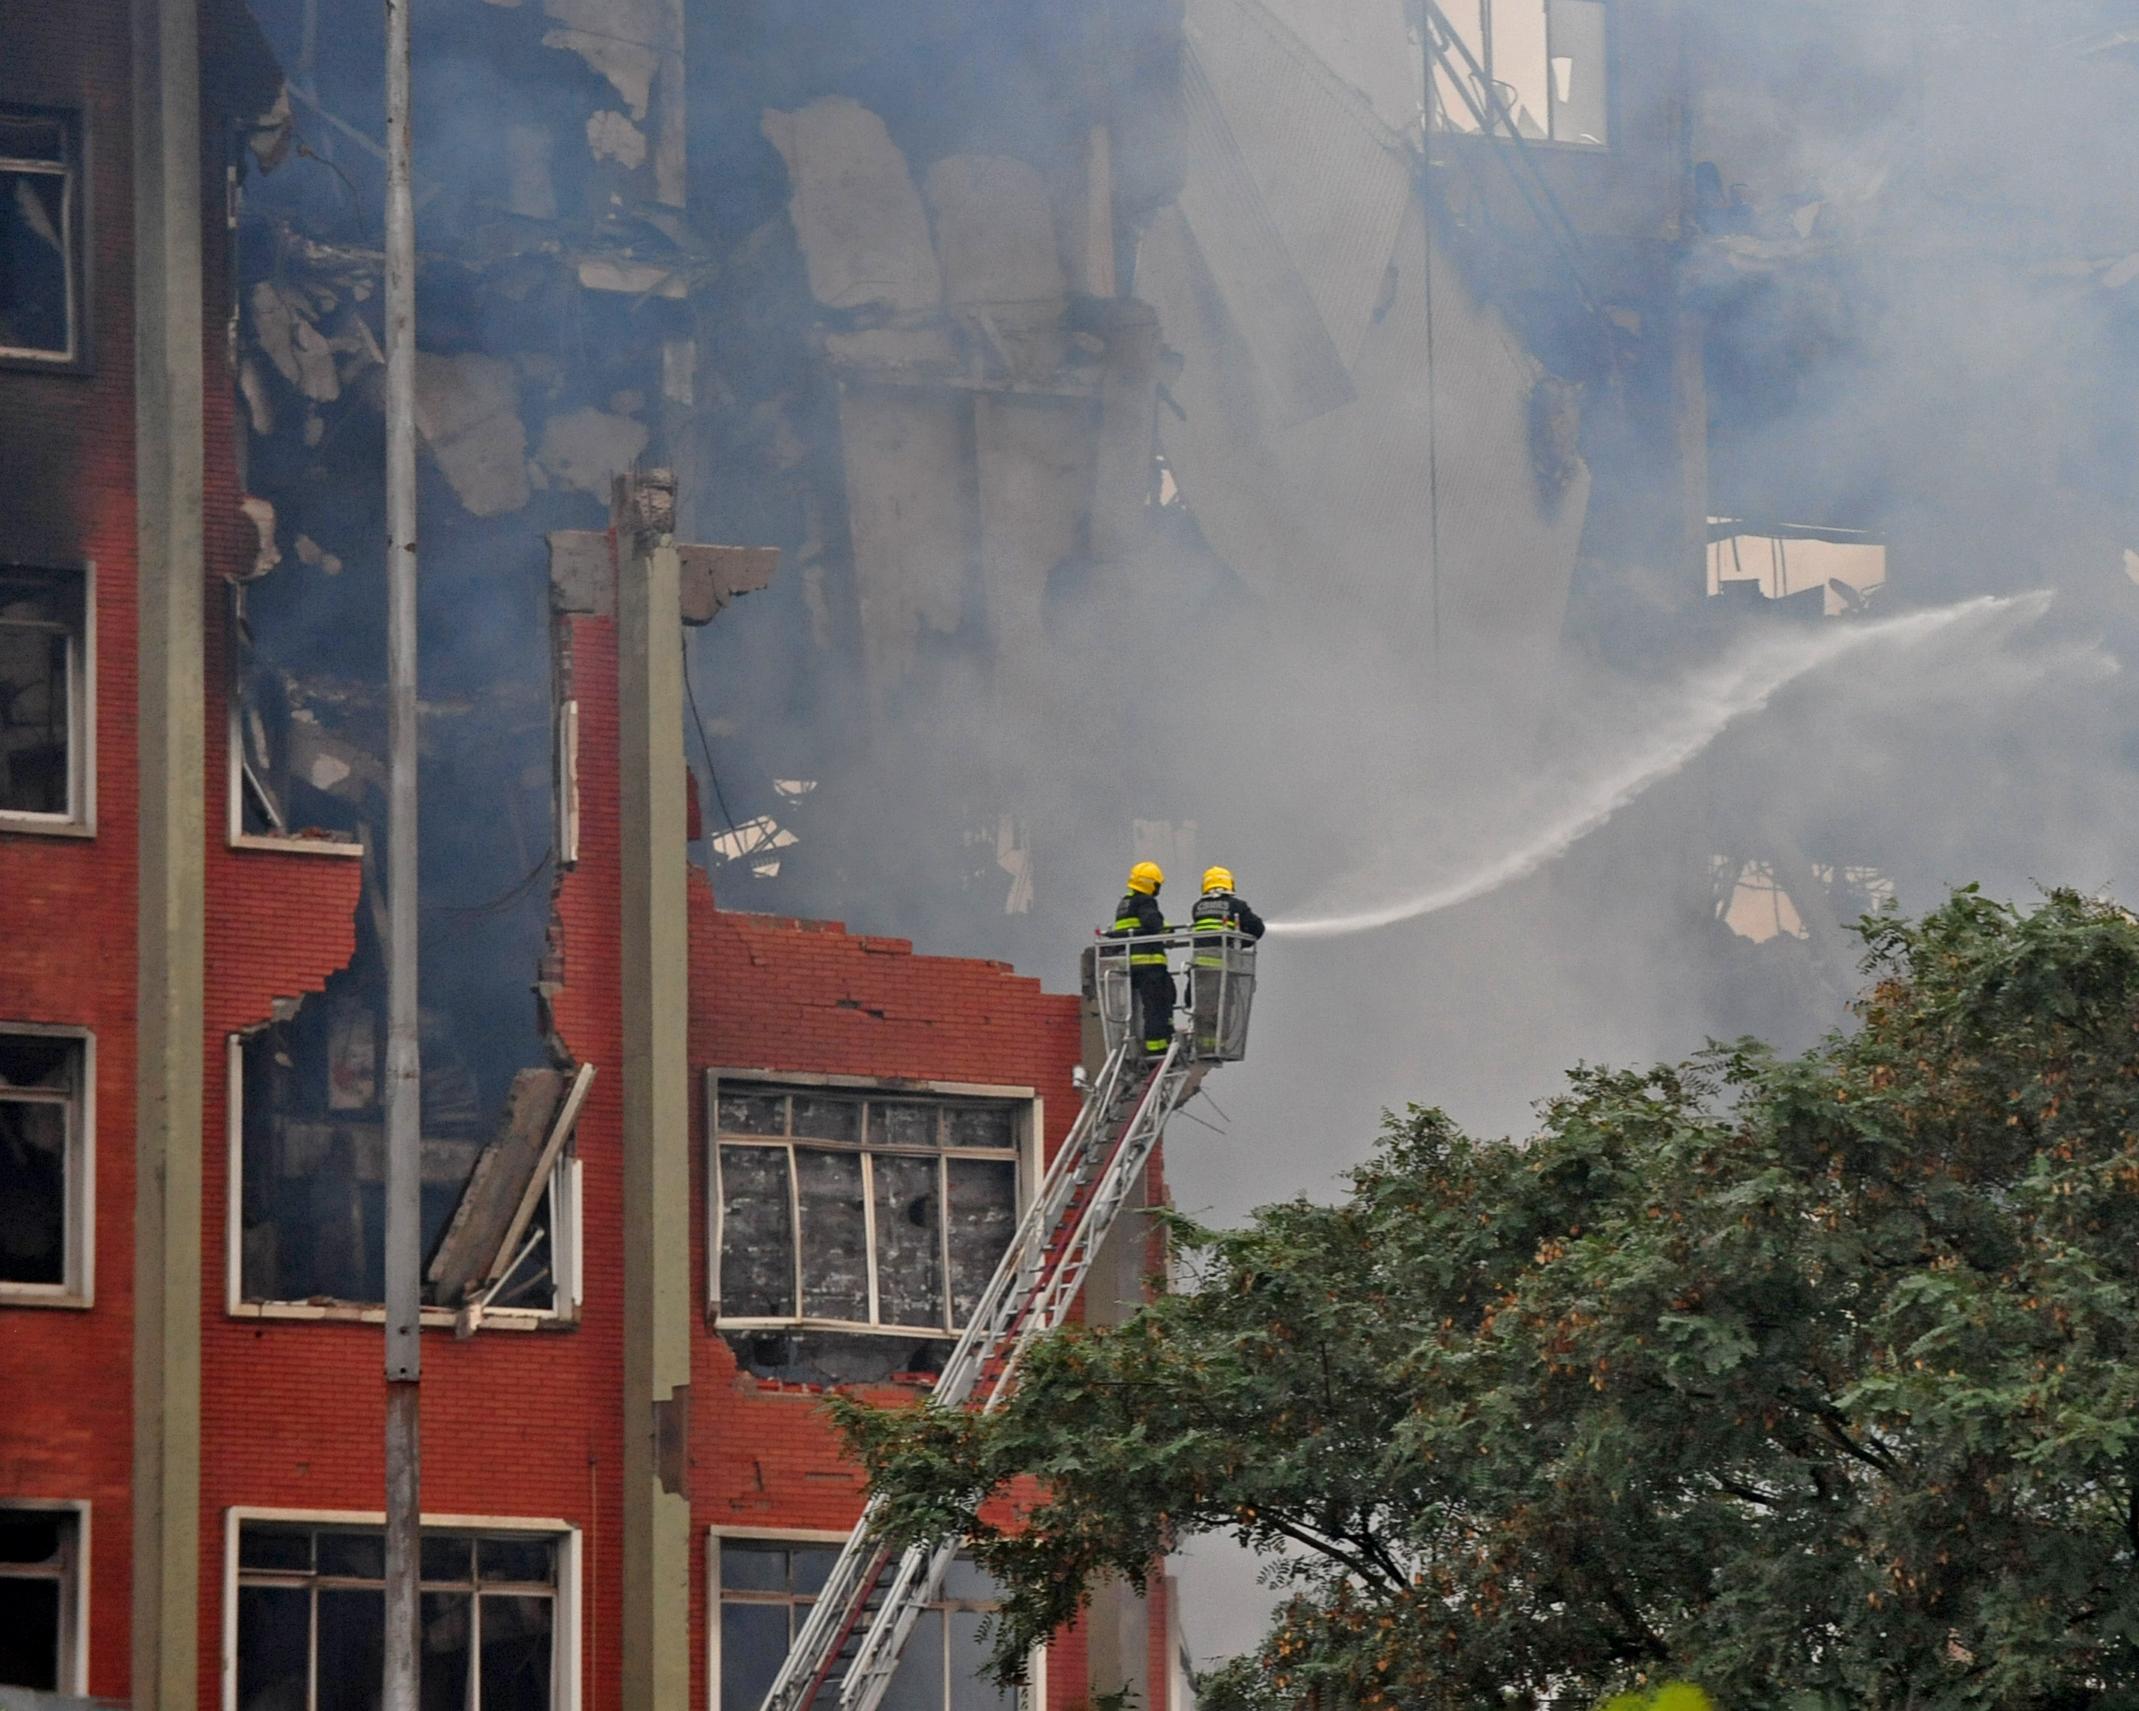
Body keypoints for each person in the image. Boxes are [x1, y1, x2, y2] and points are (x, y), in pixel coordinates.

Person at [1189, 866, 1264, 1055]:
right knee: (1222, 1007)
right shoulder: (1236, 906)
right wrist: (1242, 942)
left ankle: (1202, 1045)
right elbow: (1258, 929)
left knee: (1202, 1007)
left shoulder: (1197, 907)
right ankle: (1217, 1046)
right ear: (1228, 883)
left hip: (1199, 968)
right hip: (1222, 967)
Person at [1105, 860, 1175, 1058]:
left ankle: (1148, 1043)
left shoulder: (1124, 903)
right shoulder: (1145, 901)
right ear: (1150, 884)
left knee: (1145, 1005)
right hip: (1149, 965)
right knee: (1158, 1005)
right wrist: (1164, 929)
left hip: (1129, 966)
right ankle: (1157, 1047)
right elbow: (1152, 922)